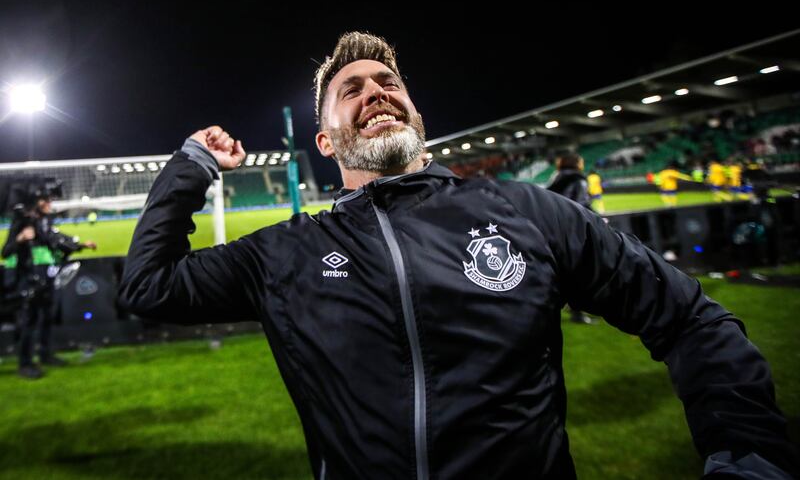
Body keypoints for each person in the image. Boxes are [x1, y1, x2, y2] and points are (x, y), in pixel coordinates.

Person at [119, 32, 797, 479]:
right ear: (325, 143)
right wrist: (195, 164)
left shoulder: (529, 213)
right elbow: (148, 286)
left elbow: (688, 318)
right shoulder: (286, 254)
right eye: (349, 90)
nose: (373, 91)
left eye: (386, 81)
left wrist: (747, 453)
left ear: (417, 118)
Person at [2, 191, 97, 379]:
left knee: (46, 315)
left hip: (45, 277)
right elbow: (6, 251)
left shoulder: (43, 222)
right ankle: (25, 363)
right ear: (36, 203)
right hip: (27, 277)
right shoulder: (22, 222)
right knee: (28, 319)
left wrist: (80, 245)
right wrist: (21, 239)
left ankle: (45, 354)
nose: (50, 204)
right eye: (46, 200)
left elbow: (54, 240)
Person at [547, 153, 595, 324]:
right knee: (580, 271)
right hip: (573, 230)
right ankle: (578, 311)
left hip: (553, 229)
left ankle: (563, 305)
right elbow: (582, 205)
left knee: (561, 270)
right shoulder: (578, 179)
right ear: (577, 164)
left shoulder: (555, 177)